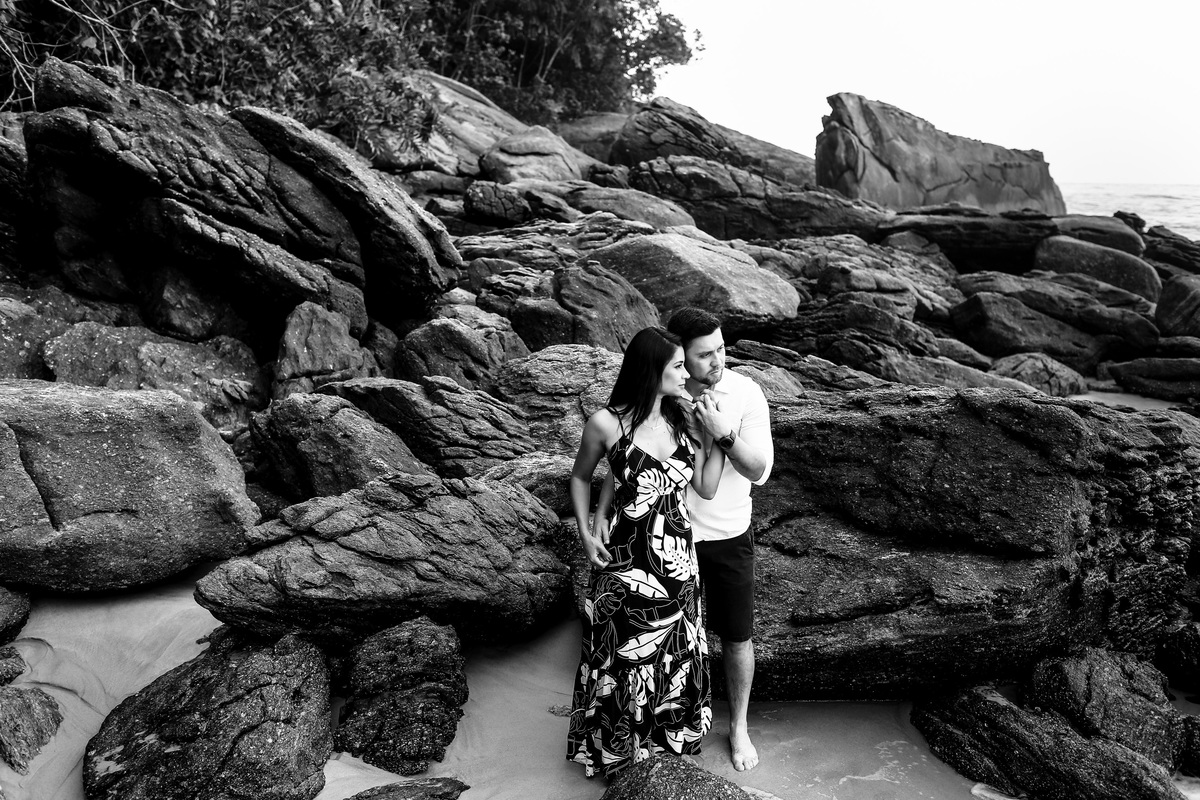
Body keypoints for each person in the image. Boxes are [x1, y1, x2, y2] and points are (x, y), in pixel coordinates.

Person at [566, 326, 727, 779]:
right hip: (622, 560)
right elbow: (582, 477)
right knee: (621, 655)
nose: (686, 374)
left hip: (677, 559)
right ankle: (619, 754)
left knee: (675, 652)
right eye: (677, 366)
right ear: (652, 371)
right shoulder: (605, 423)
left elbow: (705, 487)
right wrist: (587, 531)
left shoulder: (684, 417)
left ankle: (663, 752)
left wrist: (720, 437)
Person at [667, 306, 773, 772]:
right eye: (705, 355)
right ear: (679, 355)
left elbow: (759, 470)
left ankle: (739, 727)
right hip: (670, 532)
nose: (718, 361)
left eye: (722, 349)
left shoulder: (744, 392)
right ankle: (671, 720)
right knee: (670, 635)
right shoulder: (662, 392)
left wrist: (722, 433)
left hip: (729, 533)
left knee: (736, 637)